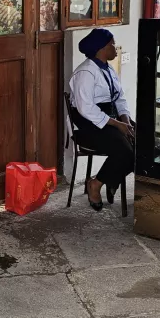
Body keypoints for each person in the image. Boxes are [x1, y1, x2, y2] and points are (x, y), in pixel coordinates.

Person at [69, 29, 134, 211]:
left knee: (141, 143)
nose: (115, 47)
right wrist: (116, 124)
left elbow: (119, 98)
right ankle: (96, 184)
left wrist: (126, 121)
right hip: (89, 125)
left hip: (112, 118)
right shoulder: (85, 72)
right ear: (101, 49)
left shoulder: (107, 68)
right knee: (125, 151)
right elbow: (85, 108)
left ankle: (112, 179)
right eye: (112, 44)